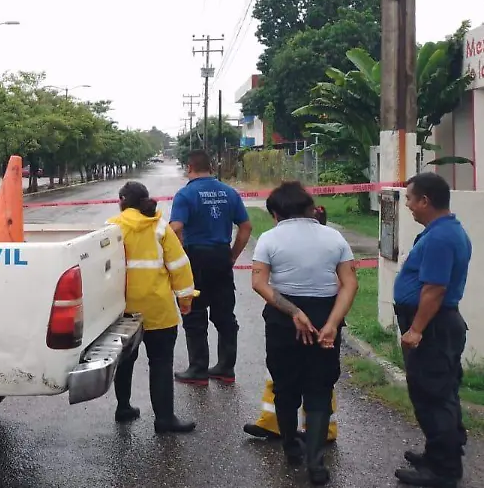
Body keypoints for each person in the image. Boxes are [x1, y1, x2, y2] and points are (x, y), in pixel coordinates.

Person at [251, 181, 358, 485]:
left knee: (285, 388)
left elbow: (259, 283)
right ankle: (315, 462)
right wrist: (333, 324)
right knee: (319, 390)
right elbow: (350, 283)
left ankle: (289, 448)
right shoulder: (334, 238)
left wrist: (295, 313)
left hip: (284, 323)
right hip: (326, 317)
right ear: (309, 208)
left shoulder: (269, 239)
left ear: (276, 213)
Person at [393, 173, 471, 488]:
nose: (408, 205)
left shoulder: (441, 237)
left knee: (433, 395)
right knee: (440, 391)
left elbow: (434, 290)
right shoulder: (441, 231)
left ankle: (443, 471)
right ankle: (438, 452)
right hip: (437, 324)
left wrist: (416, 330)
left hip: (433, 325)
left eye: (411, 199)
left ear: (425, 200)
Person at [244, 202, 339, 444]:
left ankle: (305, 432)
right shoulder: (329, 243)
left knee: (297, 382)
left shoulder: (287, 243)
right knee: (316, 381)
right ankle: (284, 427)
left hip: (292, 321)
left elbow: (261, 283)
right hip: (319, 318)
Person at [107, 181, 198, 434]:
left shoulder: (111, 227)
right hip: (159, 309)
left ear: (122, 200)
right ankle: (164, 419)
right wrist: (185, 299)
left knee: (125, 361)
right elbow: (179, 265)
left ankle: (123, 408)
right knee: (160, 362)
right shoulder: (159, 227)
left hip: (123, 309)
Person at [169, 149, 251, 385]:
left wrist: (177, 256)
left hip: (195, 259)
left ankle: (198, 369)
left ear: (189, 168)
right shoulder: (229, 192)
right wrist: (233, 256)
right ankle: (226, 368)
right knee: (225, 314)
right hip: (221, 257)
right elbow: (245, 226)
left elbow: (175, 228)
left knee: (194, 313)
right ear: (212, 168)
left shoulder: (185, 195)